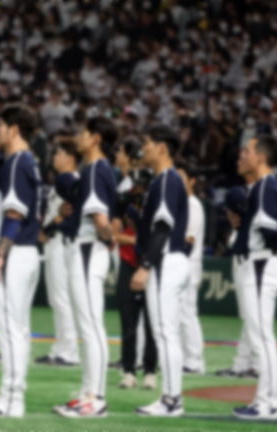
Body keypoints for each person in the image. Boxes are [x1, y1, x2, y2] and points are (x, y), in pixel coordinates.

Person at [0, 104, 41, 418]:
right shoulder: (26, 162)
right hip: (26, 252)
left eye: (0, 126)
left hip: (14, 252)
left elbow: (14, 213)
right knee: (17, 329)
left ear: (14, 129)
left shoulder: (17, 162)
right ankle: (12, 395)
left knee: (9, 329)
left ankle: (11, 400)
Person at [53, 116, 117, 418]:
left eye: (84, 132)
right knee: (87, 324)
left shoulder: (94, 170)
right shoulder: (98, 170)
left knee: (91, 325)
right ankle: (87, 393)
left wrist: (110, 238)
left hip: (91, 249)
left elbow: (101, 221)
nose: (79, 136)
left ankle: (97, 398)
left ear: (96, 139)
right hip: (89, 248)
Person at [130, 125, 189, 417]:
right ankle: (171, 397)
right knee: (166, 333)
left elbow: (162, 227)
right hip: (167, 260)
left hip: (165, 260)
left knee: (165, 333)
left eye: (148, 143)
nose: (144, 149)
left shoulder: (167, 180)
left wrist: (145, 265)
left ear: (163, 147)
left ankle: (172, 400)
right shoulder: (162, 181)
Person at [231, 135, 277, 420]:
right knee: (260, 337)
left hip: (261, 265)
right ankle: (265, 400)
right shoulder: (263, 186)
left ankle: (268, 403)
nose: (242, 155)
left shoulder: (266, 185)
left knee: (262, 338)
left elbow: (269, 229)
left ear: (261, 157)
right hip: (259, 263)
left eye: (248, 151)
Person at [112, 136, 157, 389]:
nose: (137, 190)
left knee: (152, 323)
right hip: (129, 262)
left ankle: (150, 370)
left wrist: (133, 239)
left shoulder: (153, 204)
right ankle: (128, 370)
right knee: (128, 322)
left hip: (149, 264)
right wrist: (133, 238)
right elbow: (114, 231)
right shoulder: (125, 201)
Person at [36, 138, 81, 367]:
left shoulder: (71, 180)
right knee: (57, 298)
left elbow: (73, 214)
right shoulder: (60, 183)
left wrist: (51, 227)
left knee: (62, 298)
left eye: (59, 153)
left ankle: (69, 351)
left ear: (70, 158)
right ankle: (60, 347)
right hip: (55, 241)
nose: (55, 157)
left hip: (64, 242)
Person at [216, 185, 260, 379]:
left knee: (254, 318)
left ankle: (257, 365)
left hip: (251, 268)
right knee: (248, 319)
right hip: (243, 267)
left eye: (229, 211)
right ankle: (241, 364)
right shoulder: (240, 230)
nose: (227, 215)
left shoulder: (249, 227)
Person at [178, 165, 206, 375]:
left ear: (192, 180)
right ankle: (186, 358)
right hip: (181, 263)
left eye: (182, 176)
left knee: (187, 312)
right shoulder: (182, 203)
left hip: (189, 262)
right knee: (180, 313)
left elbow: (189, 238)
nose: (178, 180)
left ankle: (194, 360)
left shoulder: (192, 204)